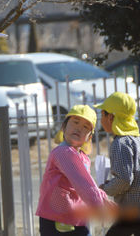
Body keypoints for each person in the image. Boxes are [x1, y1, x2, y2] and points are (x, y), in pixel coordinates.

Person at [36, 105, 115, 236]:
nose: (79, 128)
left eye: (86, 127)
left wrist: (104, 201)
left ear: (89, 137)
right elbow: (84, 185)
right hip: (58, 220)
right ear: (63, 127)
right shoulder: (63, 152)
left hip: (72, 219)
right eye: (75, 122)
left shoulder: (83, 157)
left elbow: (89, 184)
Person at [95, 91, 140, 235]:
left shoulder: (120, 143)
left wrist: (105, 188)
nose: (101, 120)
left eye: (102, 114)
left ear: (111, 117)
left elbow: (124, 179)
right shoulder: (136, 140)